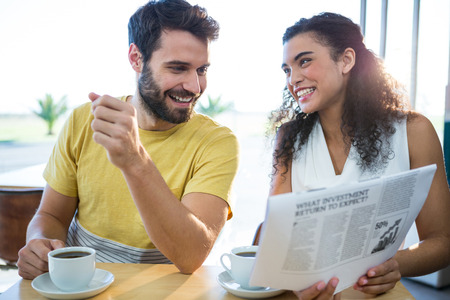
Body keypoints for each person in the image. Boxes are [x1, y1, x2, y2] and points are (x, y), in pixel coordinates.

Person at [17, 0, 239, 279]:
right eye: (178, 68)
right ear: (136, 58)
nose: (194, 87)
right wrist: (39, 243)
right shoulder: (84, 121)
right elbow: (51, 217)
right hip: (80, 282)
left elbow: (191, 255)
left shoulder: (217, 142)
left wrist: (134, 160)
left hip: (160, 287)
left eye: (202, 70)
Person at [267, 12, 450, 299]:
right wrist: (296, 280)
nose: (294, 79)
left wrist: (394, 265)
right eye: (287, 69)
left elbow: (443, 241)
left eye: (304, 61)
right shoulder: (289, 137)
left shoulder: (413, 131)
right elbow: (276, 235)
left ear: (346, 60)